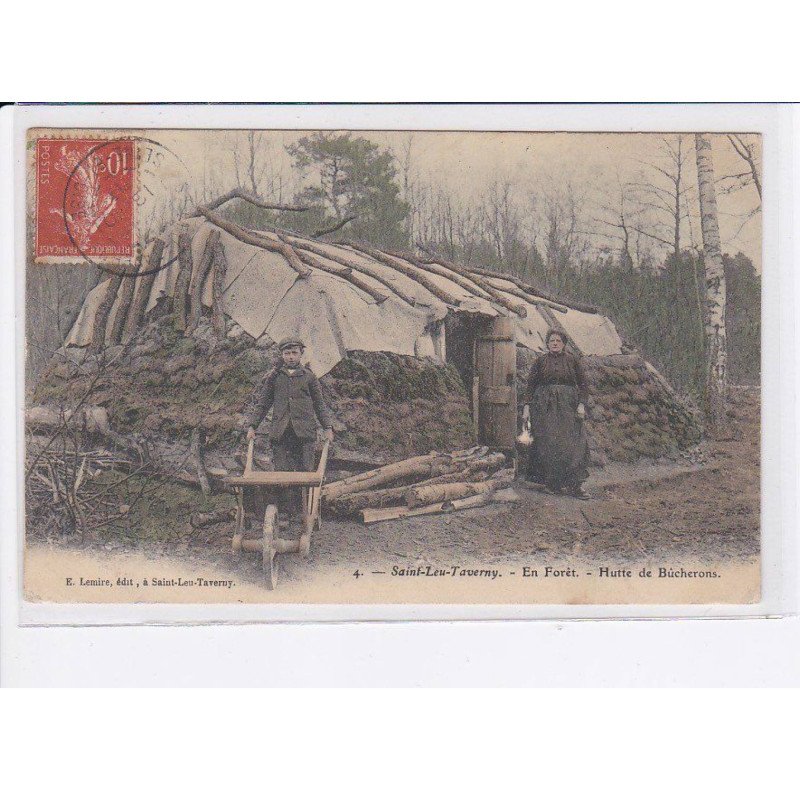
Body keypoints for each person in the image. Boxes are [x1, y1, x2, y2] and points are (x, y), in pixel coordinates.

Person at [245, 337, 334, 512]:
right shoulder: (274, 377)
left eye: (294, 353)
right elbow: (263, 403)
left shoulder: (309, 377)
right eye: (287, 353)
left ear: (301, 354)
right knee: (281, 473)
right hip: (281, 433)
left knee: (306, 472)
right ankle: (285, 511)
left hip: (305, 434)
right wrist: (252, 426)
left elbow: (319, 404)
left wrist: (328, 427)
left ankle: (305, 512)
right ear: (282, 355)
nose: (291, 357)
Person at [523, 329, 590, 499]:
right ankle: (553, 484)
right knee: (549, 443)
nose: (554, 343)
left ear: (564, 344)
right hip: (545, 407)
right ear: (547, 343)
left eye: (558, 341)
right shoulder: (540, 361)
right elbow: (531, 385)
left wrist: (581, 404)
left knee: (573, 443)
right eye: (551, 340)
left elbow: (583, 384)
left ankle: (575, 485)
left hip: (568, 406)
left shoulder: (572, 361)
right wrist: (527, 407)